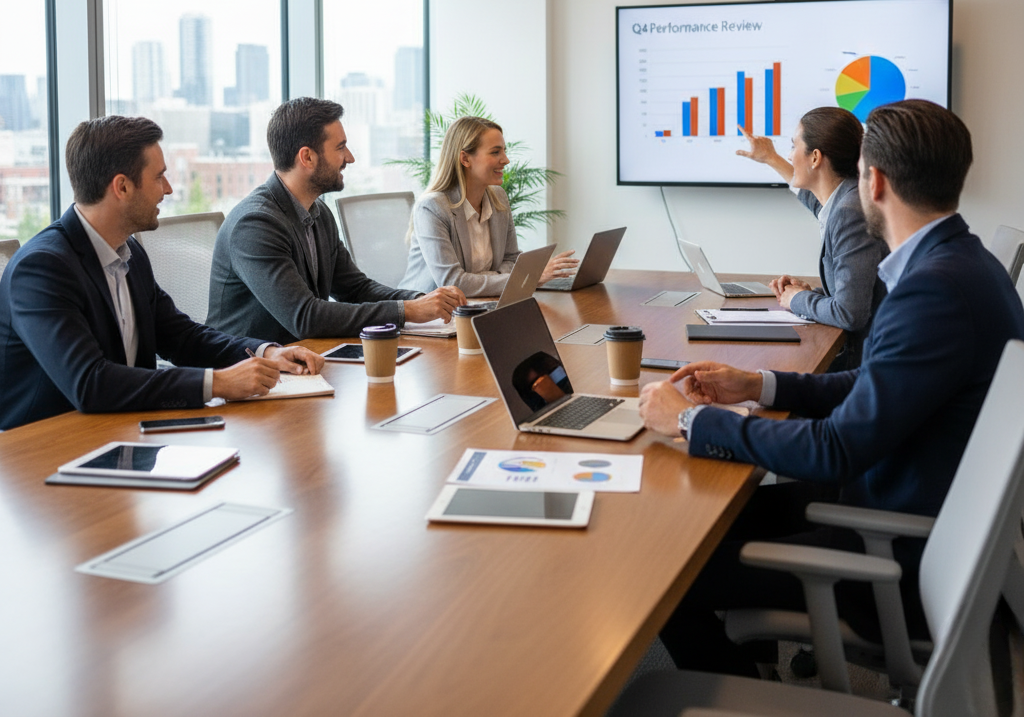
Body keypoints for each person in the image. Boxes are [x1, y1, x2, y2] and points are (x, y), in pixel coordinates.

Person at [638, 99, 1024, 676]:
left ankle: (742, 695)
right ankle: (758, 668)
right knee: (717, 516)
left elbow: (835, 448)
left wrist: (691, 421)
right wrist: (759, 384)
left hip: (896, 554)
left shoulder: (933, 291)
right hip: (910, 507)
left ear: (875, 181)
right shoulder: (962, 265)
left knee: (663, 568)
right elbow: (876, 382)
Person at [0, 116, 323, 431]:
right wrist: (217, 383)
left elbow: (181, 337)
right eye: (159, 177)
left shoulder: (129, 253)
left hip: (122, 431)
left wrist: (269, 352)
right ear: (122, 187)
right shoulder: (41, 268)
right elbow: (89, 382)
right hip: (48, 450)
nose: (167, 190)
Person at [207, 97, 466, 344]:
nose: (350, 157)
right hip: (249, 370)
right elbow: (305, 317)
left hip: (304, 359)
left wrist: (425, 300)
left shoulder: (318, 212)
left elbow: (356, 289)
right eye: (340, 147)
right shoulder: (255, 224)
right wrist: (406, 310)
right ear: (307, 157)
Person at [736, 107, 887, 366]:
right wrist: (771, 158)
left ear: (815, 157)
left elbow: (850, 314)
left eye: (794, 146)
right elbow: (817, 203)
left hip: (863, 363)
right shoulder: (844, 199)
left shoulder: (850, 211)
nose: (790, 155)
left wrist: (796, 299)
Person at [401, 116, 577, 295]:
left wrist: (479, 279)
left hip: (482, 304)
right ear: (465, 159)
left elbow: (511, 259)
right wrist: (528, 277)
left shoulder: (498, 198)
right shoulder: (433, 207)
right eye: (495, 152)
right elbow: (453, 282)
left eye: (504, 151)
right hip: (431, 315)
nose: (506, 160)